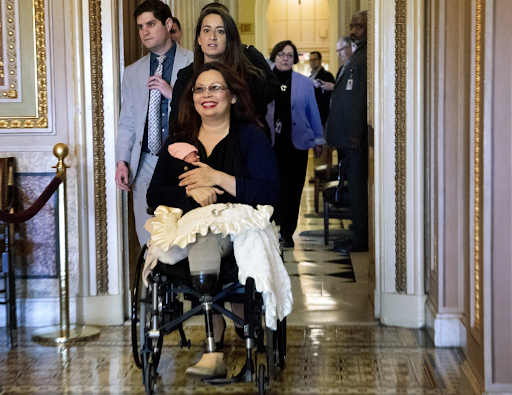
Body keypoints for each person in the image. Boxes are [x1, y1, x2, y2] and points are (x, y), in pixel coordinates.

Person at [147, 62, 280, 377]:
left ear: (233, 96)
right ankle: (214, 341)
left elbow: (270, 192)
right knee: (199, 240)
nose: (207, 95)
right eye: (200, 89)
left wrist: (217, 178)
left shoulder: (251, 137)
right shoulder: (179, 142)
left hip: (237, 229)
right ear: (191, 97)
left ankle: (213, 349)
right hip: (186, 230)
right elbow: (154, 196)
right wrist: (190, 196)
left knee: (206, 241)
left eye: (216, 88)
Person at [115, 0, 194, 246]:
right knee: (148, 241)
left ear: (168, 24)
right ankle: (150, 285)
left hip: (183, 160)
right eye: (140, 27)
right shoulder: (132, 72)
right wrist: (122, 161)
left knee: (185, 236)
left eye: (151, 24)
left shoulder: (194, 63)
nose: (144, 32)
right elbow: (127, 121)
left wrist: (175, 94)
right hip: (145, 162)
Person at [168, 5, 280, 139]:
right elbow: (177, 124)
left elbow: (256, 124)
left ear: (230, 38)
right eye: (206, 30)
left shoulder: (249, 77)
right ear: (198, 38)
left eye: (220, 31)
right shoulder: (185, 77)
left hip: (239, 151)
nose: (212, 37)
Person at [266, 40, 325, 248]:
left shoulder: (304, 83)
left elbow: (313, 113)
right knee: (272, 189)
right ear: (274, 56)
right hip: (269, 145)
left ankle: (288, 232)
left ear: (295, 59)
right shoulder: (264, 80)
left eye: (290, 55)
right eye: (281, 54)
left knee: (293, 189)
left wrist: (318, 140)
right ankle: (272, 227)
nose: (285, 59)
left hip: (296, 145)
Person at [324, 11, 369, 253]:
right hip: (349, 139)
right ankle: (357, 231)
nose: (353, 31)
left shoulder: (364, 58)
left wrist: (354, 132)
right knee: (354, 186)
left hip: (357, 140)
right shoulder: (357, 56)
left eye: (358, 26)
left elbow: (360, 99)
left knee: (360, 189)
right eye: (352, 26)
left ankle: (361, 236)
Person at [310, 51, 335, 127]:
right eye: (311, 60)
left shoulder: (327, 75)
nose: (312, 62)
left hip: (322, 115)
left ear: (320, 60)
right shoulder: (310, 77)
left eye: (315, 59)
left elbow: (329, 98)